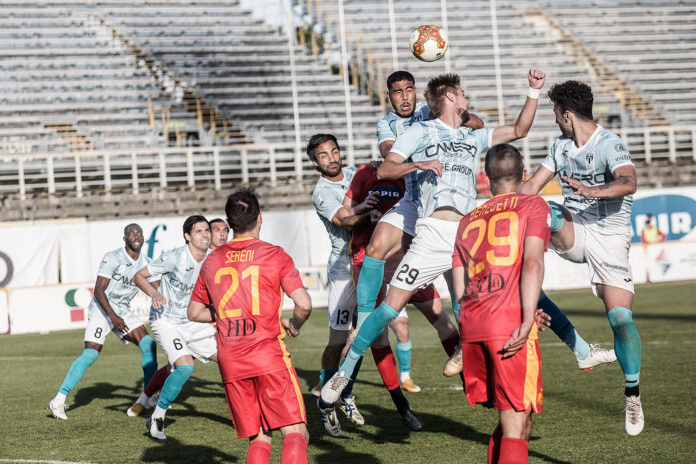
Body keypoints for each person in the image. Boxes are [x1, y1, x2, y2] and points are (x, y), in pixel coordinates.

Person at [321, 69, 546, 411]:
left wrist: (533, 91)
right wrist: (419, 165)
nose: (467, 96)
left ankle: (477, 368)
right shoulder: (420, 131)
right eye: (462, 91)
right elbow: (386, 169)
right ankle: (345, 371)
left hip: (466, 235)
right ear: (451, 96)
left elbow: (519, 130)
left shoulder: (473, 137)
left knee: (482, 304)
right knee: (389, 308)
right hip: (430, 234)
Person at [520, 80, 644, 436]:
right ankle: (522, 274)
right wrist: (505, 195)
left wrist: (593, 190)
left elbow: (628, 181)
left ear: (567, 115)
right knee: (541, 208)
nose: (555, 119)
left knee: (620, 319)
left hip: (609, 236)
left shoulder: (609, 144)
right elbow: (530, 189)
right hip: (574, 229)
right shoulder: (560, 147)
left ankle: (632, 395)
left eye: (556, 113)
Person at [354, 70, 484, 339]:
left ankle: (467, 342)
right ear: (389, 96)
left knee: (454, 281)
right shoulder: (387, 123)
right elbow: (390, 153)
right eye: (398, 92)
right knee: (375, 247)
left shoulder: (431, 109)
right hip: (411, 200)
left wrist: (450, 118)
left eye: (409, 90)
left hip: (440, 199)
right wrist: (424, 139)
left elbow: (477, 123)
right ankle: (363, 324)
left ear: (415, 90)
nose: (405, 97)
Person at [188, 188, 312, 464]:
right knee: (295, 432)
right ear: (260, 218)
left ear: (229, 223)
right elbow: (304, 304)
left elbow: (194, 312)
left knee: (260, 437)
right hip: (268, 356)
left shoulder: (211, 261)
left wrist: (226, 315)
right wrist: (294, 324)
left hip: (231, 361)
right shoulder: (275, 255)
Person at [308, 133, 420, 433]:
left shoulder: (358, 172)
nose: (332, 158)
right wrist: (366, 211)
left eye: (334, 151)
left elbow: (379, 177)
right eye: (323, 155)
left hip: (372, 261)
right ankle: (331, 396)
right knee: (337, 341)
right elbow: (344, 221)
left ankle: (351, 394)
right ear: (315, 163)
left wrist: (378, 168)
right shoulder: (322, 192)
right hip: (344, 270)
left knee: (374, 335)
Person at [453, 144, 550, 464]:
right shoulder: (533, 204)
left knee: (516, 418)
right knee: (516, 423)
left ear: (485, 178)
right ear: (524, 175)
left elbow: (459, 289)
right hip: (507, 325)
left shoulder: (467, 220)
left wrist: (523, 309)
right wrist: (526, 316)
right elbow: (533, 262)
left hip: (473, 325)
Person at [342, 159, 461, 394]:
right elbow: (343, 218)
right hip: (368, 262)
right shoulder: (365, 173)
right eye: (386, 145)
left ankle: (415, 377)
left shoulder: (414, 177)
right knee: (367, 333)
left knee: (434, 317)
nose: (391, 148)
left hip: (409, 260)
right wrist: (365, 211)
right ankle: (347, 386)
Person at [48, 224, 161, 420]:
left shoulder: (147, 263)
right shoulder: (113, 258)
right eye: (131, 233)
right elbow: (99, 290)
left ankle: (149, 395)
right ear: (124, 239)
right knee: (91, 354)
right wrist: (113, 317)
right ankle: (58, 400)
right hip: (102, 310)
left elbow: (158, 288)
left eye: (139, 233)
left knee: (148, 344)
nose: (136, 236)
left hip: (123, 310)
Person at [133, 215, 218, 440]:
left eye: (207, 230)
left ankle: (251, 412)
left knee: (231, 360)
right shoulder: (174, 257)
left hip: (194, 321)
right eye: (199, 231)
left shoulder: (213, 259)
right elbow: (138, 276)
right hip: (166, 320)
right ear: (187, 236)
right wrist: (154, 293)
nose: (205, 235)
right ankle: (157, 417)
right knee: (185, 367)